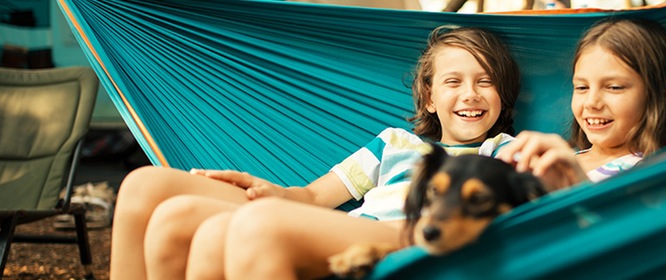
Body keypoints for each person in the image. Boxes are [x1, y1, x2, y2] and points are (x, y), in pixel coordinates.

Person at [109, 25, 522, 279]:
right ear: (429, 97)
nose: (470, 94)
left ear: (504, 96)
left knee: (227, 228)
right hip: (341, 228)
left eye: (485, 82)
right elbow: (310, 198)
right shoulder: (395, 143)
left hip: (409, 236)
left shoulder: (508, 153)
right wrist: (266, 189)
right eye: (454, 82)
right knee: (148, 189)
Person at [498, 17, 666, 190]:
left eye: (614, 87)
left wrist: (578, 184)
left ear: (662, 93)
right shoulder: (561, 160)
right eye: (582, 87)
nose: (591, 102)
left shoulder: (656, 174)